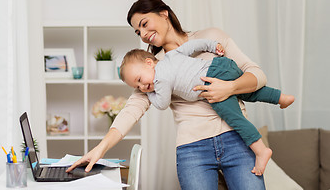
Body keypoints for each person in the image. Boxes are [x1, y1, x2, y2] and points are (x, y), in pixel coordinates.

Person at [67, 0, 276, 189]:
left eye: (144, 23)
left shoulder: (210, 37)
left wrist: (229, 87)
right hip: (193, 150)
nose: (144, 34)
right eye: (138, 32)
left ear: (164, 13)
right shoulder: (152, 71)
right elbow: (131, 111)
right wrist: (100, 148)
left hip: (237, 139)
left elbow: (257, 75)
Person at [118, 39, 295, 175]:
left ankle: (261, 150)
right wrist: (212, 45)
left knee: (234, 117)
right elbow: (193, 46)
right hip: (222, 65)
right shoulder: (172, 55)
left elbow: (162, 103)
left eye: (140, 80)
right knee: (247, 92)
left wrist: (149, 93)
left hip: (212, 81)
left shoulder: (160, 80)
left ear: (150, 63)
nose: (142, 88)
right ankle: (281, 97)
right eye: (137, 87)